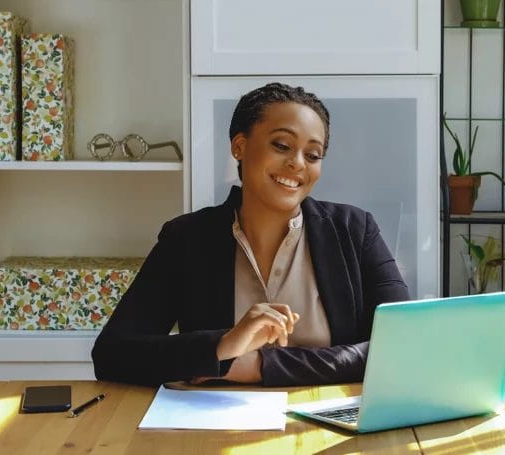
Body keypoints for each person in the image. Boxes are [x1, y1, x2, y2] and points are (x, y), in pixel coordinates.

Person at [91, 82, 410, 387]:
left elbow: (403, 347)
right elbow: (112, 354)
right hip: (213, 419)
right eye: (282, 146)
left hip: (330, 418)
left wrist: (260, 366)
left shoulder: (355, 230)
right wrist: (222, 346)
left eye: (313, 155)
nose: (298, 163)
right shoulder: (186, 238)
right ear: (239, 146)